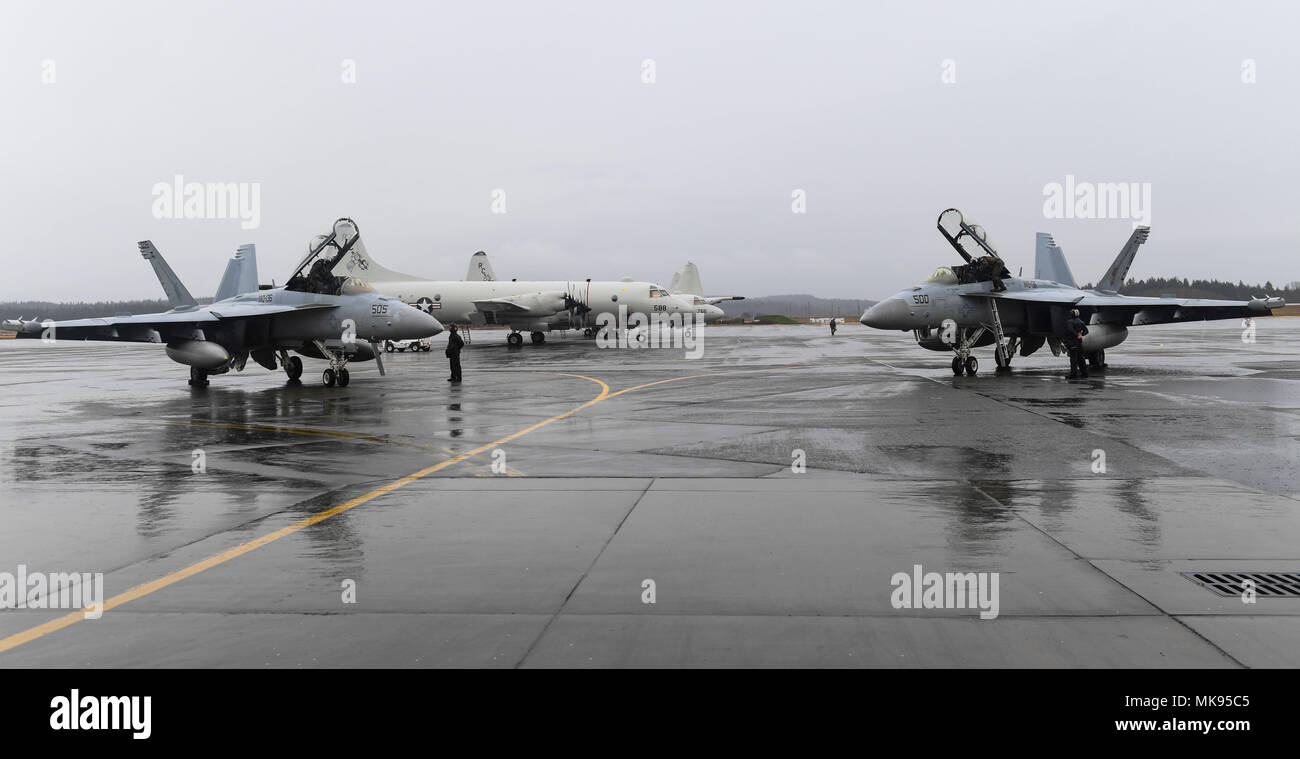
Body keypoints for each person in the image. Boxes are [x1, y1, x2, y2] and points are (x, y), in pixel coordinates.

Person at [1063, 308, 1089, 379]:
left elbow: (1070, 330)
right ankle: (1084, 374)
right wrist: (1080, 334)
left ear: (1072, 314)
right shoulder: (1081, 322)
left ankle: (1073, 375)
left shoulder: (1070, 322)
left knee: (1073, 359)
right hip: (1079, 343)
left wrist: (1076, 334)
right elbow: (1086, 331)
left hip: (1072, 342)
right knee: (1081, 358)